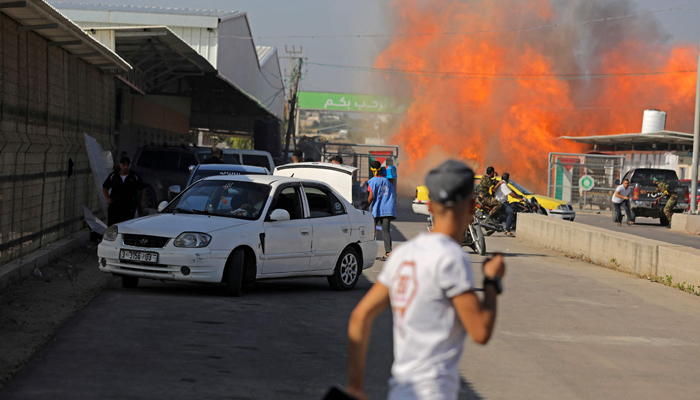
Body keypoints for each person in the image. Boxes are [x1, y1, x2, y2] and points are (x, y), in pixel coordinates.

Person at [346, 160, 505, 400]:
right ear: (472, 208)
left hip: (400, 391)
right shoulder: (451, 258)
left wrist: (355, 386)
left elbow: (360, 317)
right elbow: (480, 331)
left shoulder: (402, 255)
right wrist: (492, 282)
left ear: (430, 206)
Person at [102, 157, 147, 226]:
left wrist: (142, 201)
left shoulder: (134, 176)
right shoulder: (114, 175)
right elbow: (105, 187)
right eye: (123, 165)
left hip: (129, 206)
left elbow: (143, 188)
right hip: (115, 205)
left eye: (127, 165)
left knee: (126, 226)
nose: (125, 167)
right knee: (113, 226)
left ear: (130, 165)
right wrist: (107, 198)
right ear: (120, 165)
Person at [366, 161, 396, 261]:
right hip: (388, 209)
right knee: (386, 231)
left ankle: (368, 253)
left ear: (372, 170)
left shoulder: (372, 181)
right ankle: (388, 252)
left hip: (377, 210)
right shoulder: (387, 181)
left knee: (371, 232)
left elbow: (371, 197)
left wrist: (364, 207)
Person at [493, 172, 524, 237]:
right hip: (501, 203)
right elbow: (510, 193)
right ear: (508, 179)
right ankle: (507, 230)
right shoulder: (503, 184)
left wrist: (518, 195)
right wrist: (519, 198)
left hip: (502, 202)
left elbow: (511, 190)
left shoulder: (503, 183)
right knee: (511, 212)